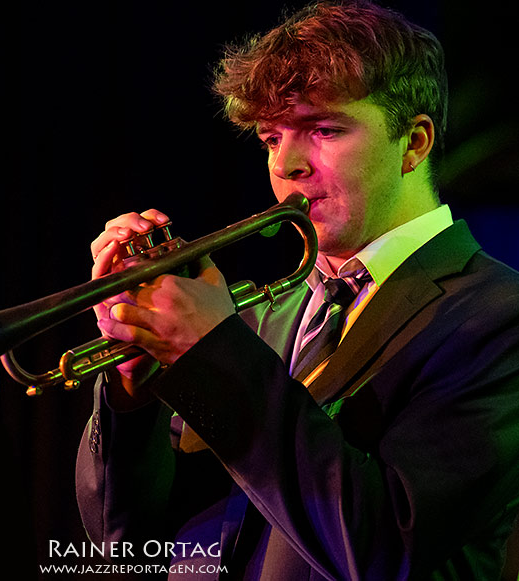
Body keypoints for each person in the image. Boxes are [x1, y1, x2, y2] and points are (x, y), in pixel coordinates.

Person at [74, 1, 519, 579]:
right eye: (269, 137)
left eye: (324, 129)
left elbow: (390, 550)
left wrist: (214, 353)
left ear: (413, 143)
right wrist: (136, 385)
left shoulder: (496, 316)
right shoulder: (257, 318)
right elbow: (124, 544)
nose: (286, 163)